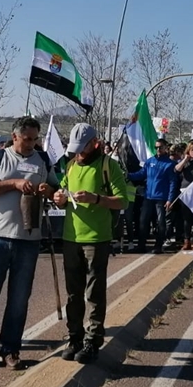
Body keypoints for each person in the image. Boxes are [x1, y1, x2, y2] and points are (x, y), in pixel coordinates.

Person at [0, 117, 58, 371]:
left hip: (28, 241)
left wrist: (47, 191)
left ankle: (10, 349)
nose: (31, 143)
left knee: (19, 300)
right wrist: (14, 183)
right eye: (27, 139)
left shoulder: (42, 160)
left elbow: (55, 190)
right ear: (15, 136)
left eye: (35, 139)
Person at [53, 123, 128, 364]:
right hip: (70, 237)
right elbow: (64, 193)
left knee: (94, 292)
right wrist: (59, 199)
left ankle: (93, 339)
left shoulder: (108, 165)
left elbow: (122, 201)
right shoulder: (72, 165)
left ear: (94, 143)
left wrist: (95, 198)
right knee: (72, 293)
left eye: (82, 148)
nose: (79, 153)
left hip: (96, 239)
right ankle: (74, 336)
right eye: (75, 149)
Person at [127, 139, 180, 254]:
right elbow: (141, 174)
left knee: (160, 223)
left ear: (166, 148)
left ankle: (158, 245)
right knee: (143, 221)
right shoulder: (150, 161)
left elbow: (173, 183)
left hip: (161, 199)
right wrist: (128, 175)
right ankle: (141, 245)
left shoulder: (170, 164)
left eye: (160, 147)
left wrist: (170, 199)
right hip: (148, 197)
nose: (158, 149)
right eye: (156, 147)